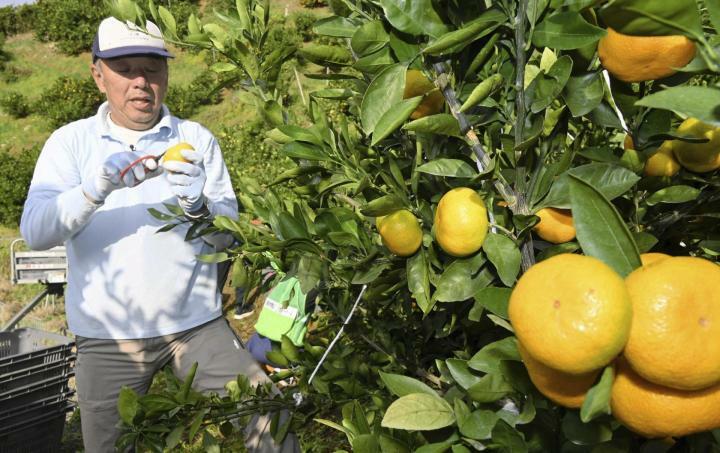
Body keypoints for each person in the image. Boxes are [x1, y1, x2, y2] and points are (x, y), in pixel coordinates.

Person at [19, 17, 298, 453]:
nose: (140, 82)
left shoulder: (196, 139)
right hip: (107, 335)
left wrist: (199, 208)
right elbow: (35, 232)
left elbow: (230, 241)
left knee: (267, 414)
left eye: (151, 68)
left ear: (166, 73)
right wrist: (92, 190)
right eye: (125, 69)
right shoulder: (70, 144)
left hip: (195, 326)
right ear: (98, 74)